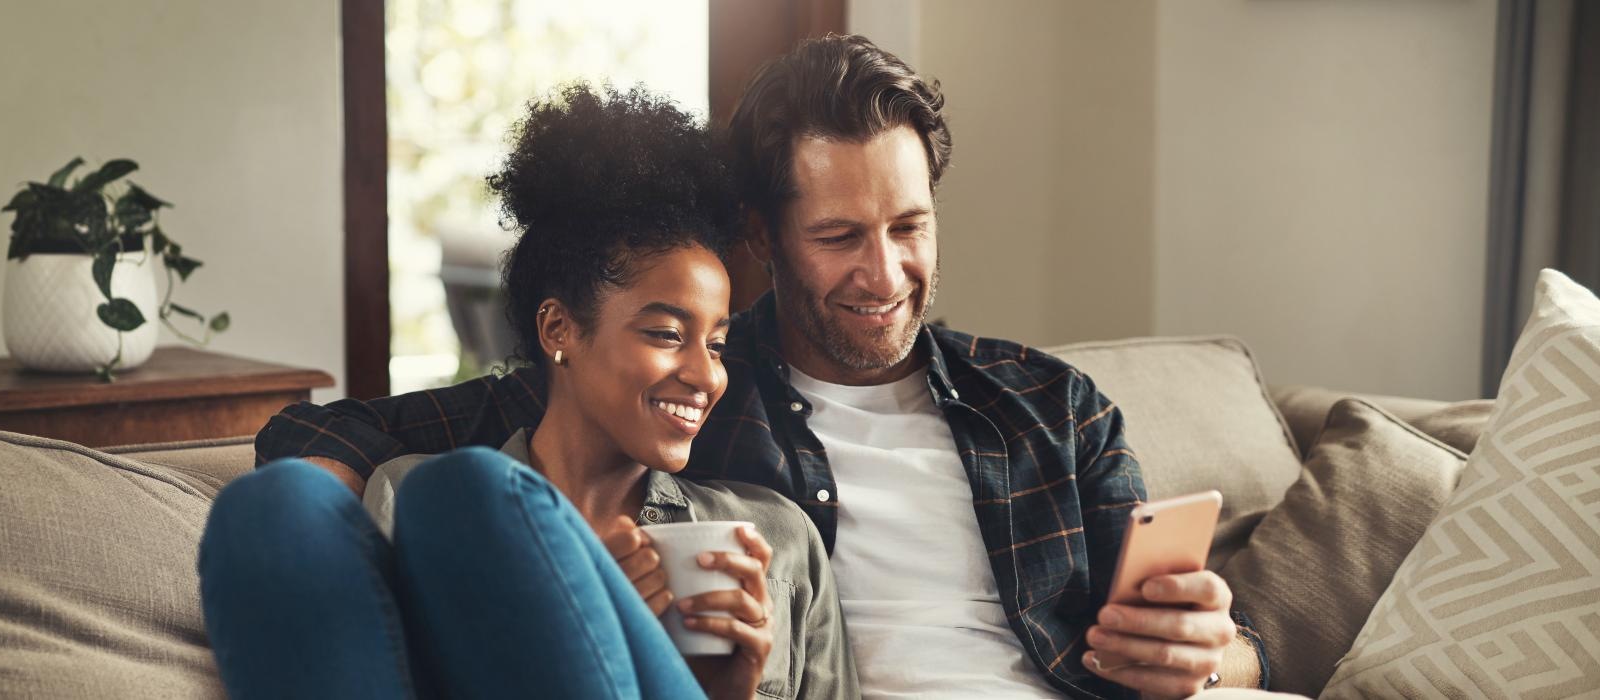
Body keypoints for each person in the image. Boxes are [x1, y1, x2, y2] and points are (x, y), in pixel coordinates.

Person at [257, 37, 1269, 699]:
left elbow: (1224, 634)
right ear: (764, 236)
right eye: (839, 236)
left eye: (909, 226)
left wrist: (1212, 652)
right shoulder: (685, 391)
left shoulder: (1050, 406)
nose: (885, 273)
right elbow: (331, 436)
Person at [203, 83, 855, 700]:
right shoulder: (409, 497)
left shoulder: (775, 536)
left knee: (467, 491)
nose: (706, 374)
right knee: (269, 507)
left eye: (715, 343)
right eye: (664, 333)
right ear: (557, 328)